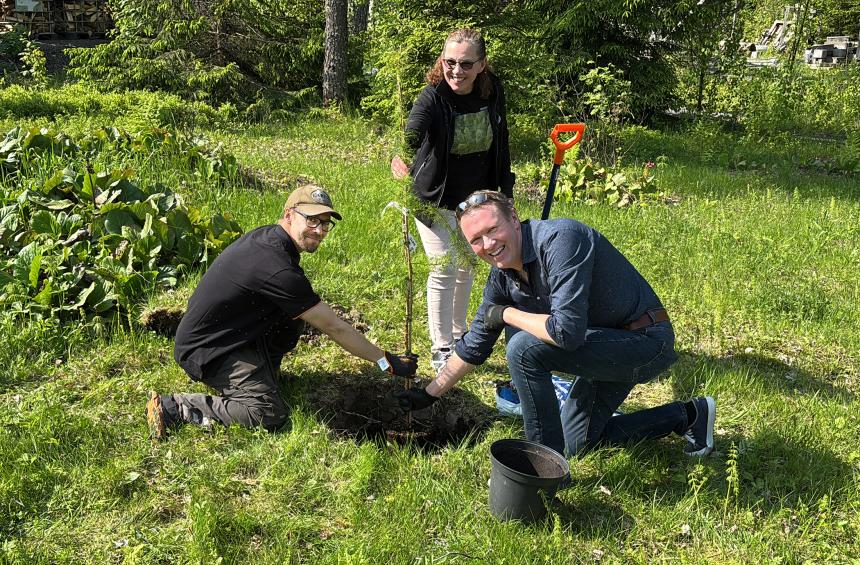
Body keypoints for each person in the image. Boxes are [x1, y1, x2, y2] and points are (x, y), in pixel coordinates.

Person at [395, 190, 716, 457]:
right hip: (602, 348)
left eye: (492, 230)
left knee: (523, 349)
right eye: (476, 240)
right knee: (576, 444)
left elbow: (567, 333)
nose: (488, 244)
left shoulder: (562, 240)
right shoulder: (502, 278)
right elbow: (474, 346)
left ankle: (539, 465)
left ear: (514, 219)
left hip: (645, 342)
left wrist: (507, 315)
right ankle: (689, 414)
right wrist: (429, 394)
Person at [146, 184, 418, 439]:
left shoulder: (271, 239)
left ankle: (262, 376)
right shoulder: (276, 267)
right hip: (207, 349)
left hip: (228, 334)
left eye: (326, 223)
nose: (320, 230)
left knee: (295, 315)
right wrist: (385, 360)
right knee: (267, 413)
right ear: (289, 215)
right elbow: (333, 326)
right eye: (312, 220)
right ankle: (176, 407)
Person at [390, 28, 515, 373]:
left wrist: (504, 193)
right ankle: (441, 348)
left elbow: (501, 144)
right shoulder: (434, 95)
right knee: (444, 265)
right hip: (432, 197)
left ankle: (460, 338)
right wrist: (401, 156)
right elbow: (414, 129)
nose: (456, 71)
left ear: (481, 65)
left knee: (468, 265)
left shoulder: (493, 92)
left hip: (474, 200)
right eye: (449, 62)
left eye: (465, 63)